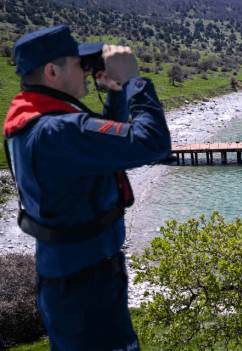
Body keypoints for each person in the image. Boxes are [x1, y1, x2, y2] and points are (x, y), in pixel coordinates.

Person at [3, 25, 171, 350]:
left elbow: (103, 147)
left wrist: (116, 92)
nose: (87, 70)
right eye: (79, 63)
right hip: (85, 288)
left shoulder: (38, 122)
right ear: (52, 71)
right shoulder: (57, 132)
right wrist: (136, 80)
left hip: (72, 277)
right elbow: (154, 143)